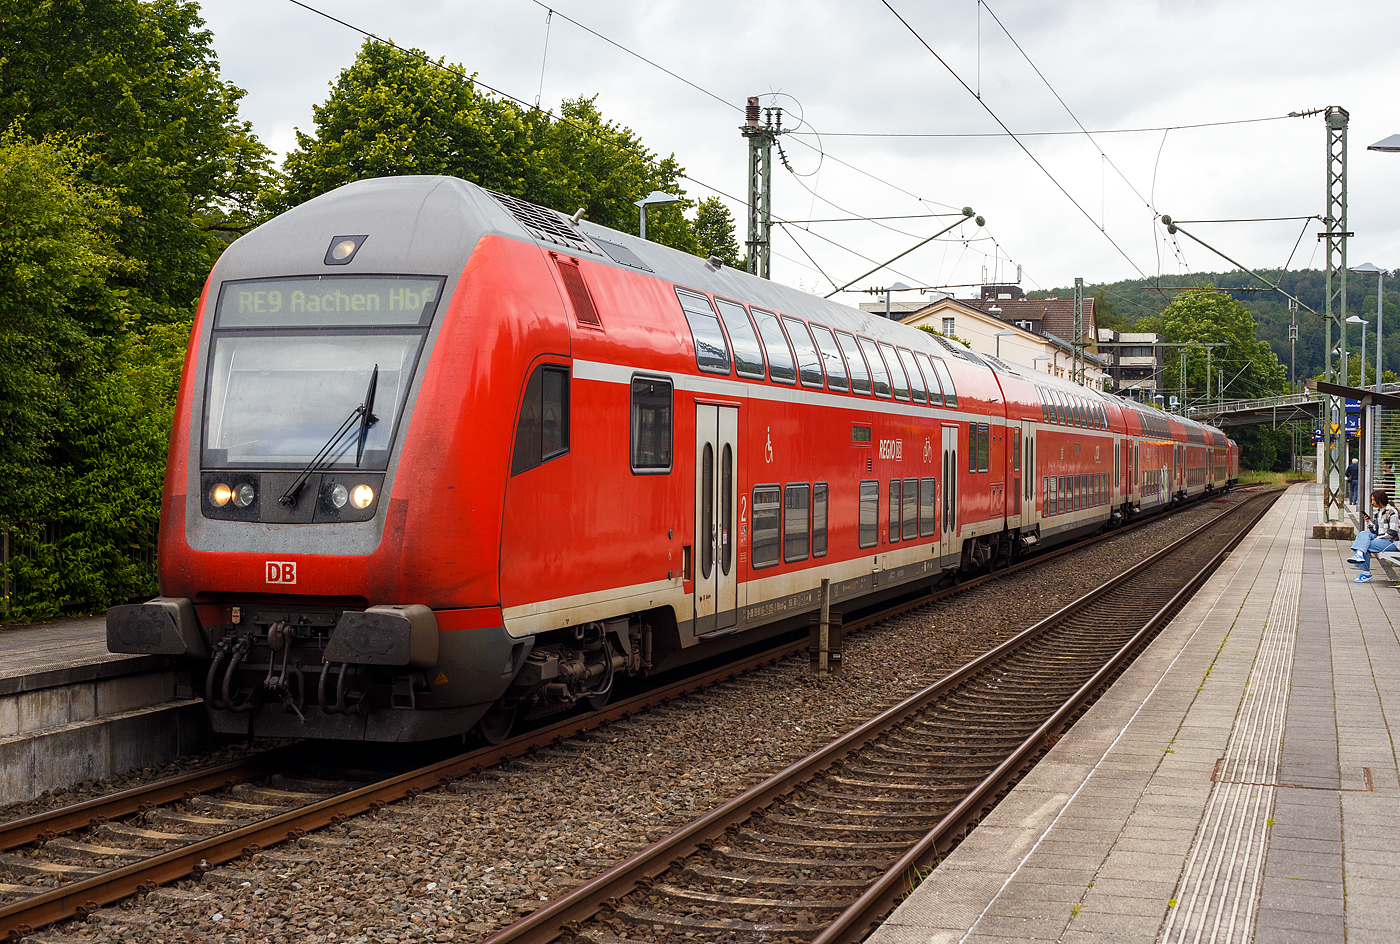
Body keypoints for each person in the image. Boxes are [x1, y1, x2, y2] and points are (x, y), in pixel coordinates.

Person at [1348, 488, 1400, 583]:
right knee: (1364, 534)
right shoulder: (1377, 514)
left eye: (1373, 500)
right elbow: (1375, 532)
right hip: (1381, 540)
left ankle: (1366, 572)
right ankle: (1360, 555)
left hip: (1391, 543)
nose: (1372, 503)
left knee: (1365, 546)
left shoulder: (1393, 512)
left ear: (1379, 500)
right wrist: (1368, 522)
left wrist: (1377, 538)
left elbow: (1392, 532)